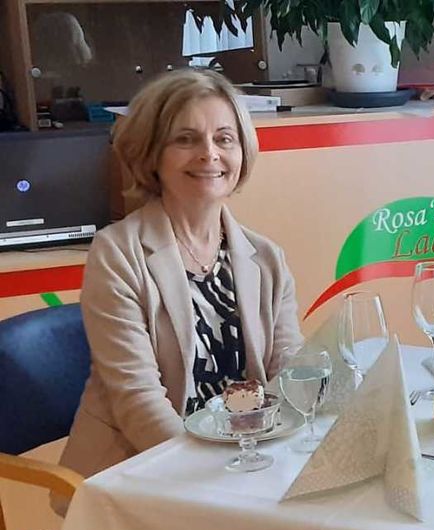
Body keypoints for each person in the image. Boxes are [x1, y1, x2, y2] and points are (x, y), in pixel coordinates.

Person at [60, 70, 302, 480]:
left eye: (224, 139)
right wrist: (212, 478)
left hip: (245, 460)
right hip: (144, 470)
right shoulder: (117, 253)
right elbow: (139, 402)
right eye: (186, 139)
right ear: (152, 154)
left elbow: (288, 370)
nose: (209, 154)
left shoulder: (266, 257)